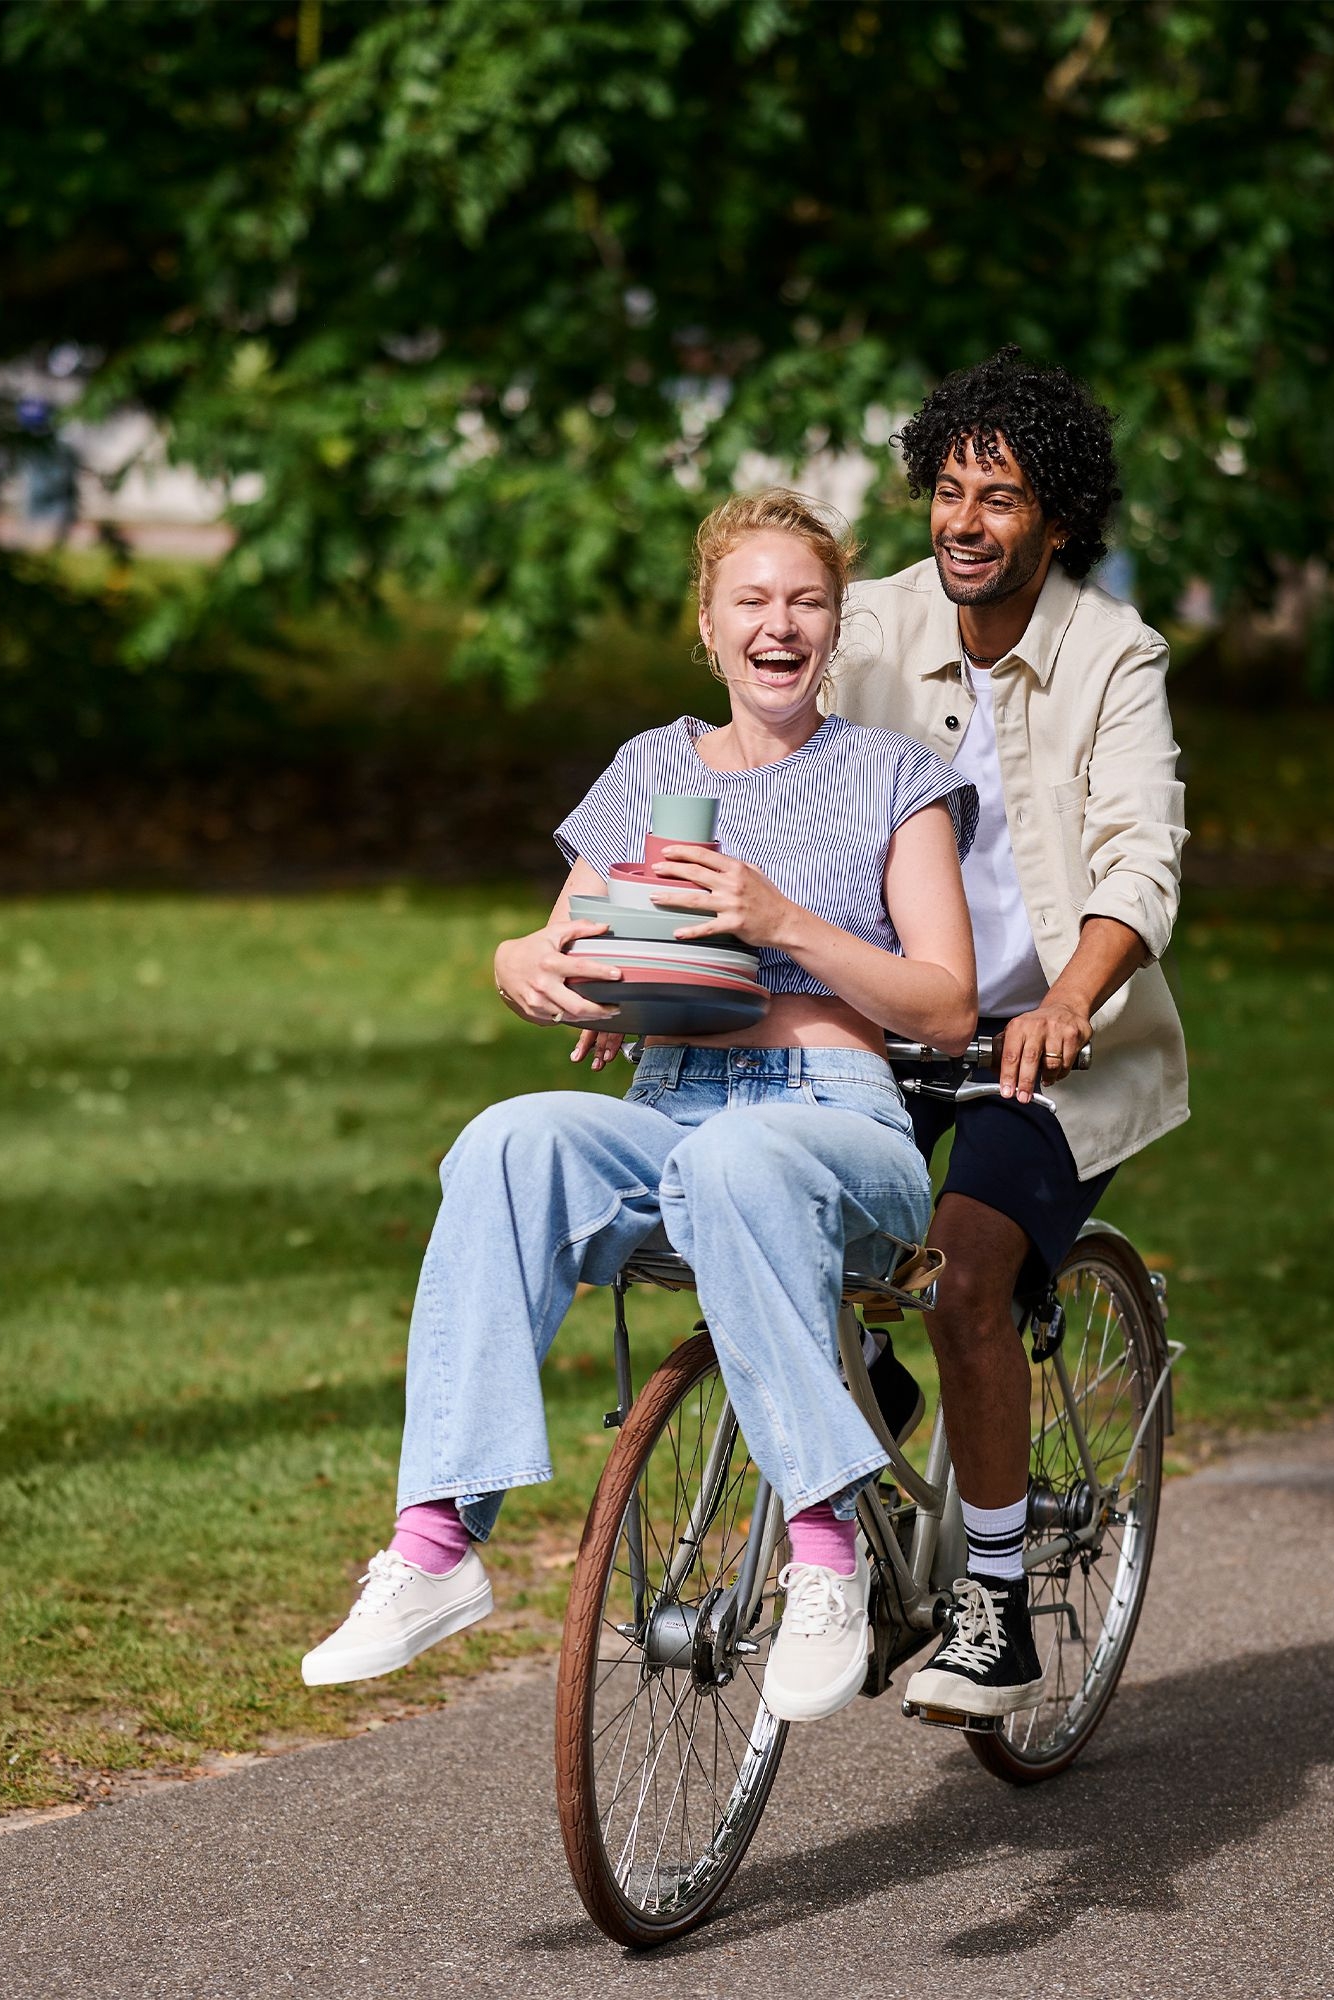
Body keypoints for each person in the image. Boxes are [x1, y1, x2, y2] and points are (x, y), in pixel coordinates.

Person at [302, 490, 980, 1723]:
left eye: (808, 601)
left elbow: (940, 1006)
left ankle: (821, 1552)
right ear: (708, 628)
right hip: (671, 1107)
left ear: (836, 629)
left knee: (739, 1161)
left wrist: (781, 922)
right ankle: (436, 1539)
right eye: (752, 601)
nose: (781, 623)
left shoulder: (895, 778)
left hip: (836, 1121)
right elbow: (561, 937)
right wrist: (522, 962)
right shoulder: (650, 769)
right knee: (504, 1137)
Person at [829, 347, 1189, 1719]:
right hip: (889, 1012)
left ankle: (994, 1608)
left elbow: (1139, 863)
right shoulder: (865, 628)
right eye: (950, 489)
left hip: (1052, 1041)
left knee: (970, 1278)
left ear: (1057, 520)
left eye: (1004, 497)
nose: (966, 522)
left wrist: (1062, 998)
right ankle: (865, 1429)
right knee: (773, 1219)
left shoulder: (1114, 654)